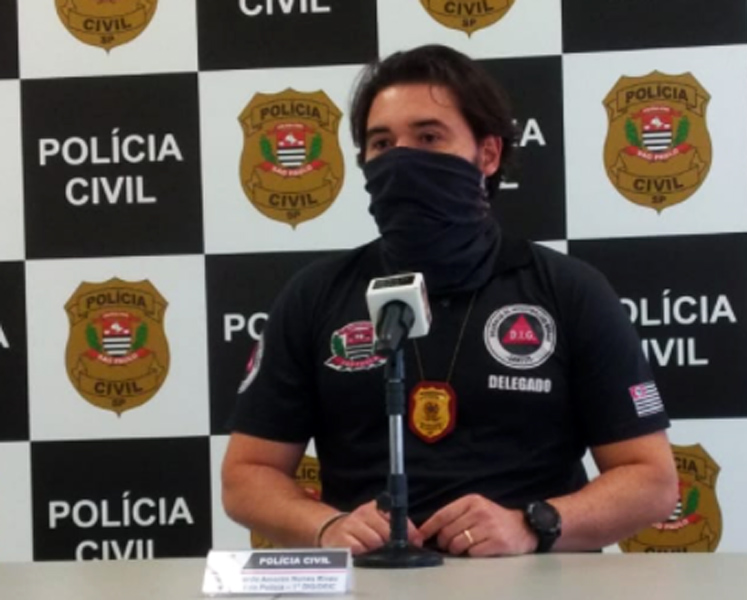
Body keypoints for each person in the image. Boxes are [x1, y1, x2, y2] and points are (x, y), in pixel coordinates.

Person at [222, 44, 678, 557]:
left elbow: (652, 481)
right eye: (382, 143)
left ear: (488, 154)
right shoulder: (315, 293)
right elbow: (247, 475)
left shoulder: (569, 289)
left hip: (530, 583)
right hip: (372, 583)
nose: (401, 158)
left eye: (428, 137)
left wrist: (534, 524)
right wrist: (326, 527)